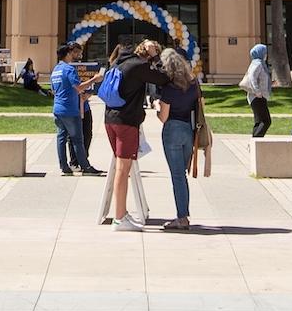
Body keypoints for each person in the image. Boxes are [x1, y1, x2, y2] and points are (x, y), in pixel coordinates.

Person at [104, 38, 159, 232]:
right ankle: (120, 218)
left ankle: (122, 213)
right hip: (126, 122)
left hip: (110, 119)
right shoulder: (138, 66)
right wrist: (155, 56)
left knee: (121, 167)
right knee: (123, 169)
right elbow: (163, 77)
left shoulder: (119, 64)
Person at [154, 48, 204, 232]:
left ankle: (182, 217)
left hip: (172, 130)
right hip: (188, 131)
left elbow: (163, 117)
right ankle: (184, 214)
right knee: (181, 175)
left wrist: (156, 106)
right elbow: (200, 105)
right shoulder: (194, 84)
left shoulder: (169, 88)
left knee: (177, 176)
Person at [51, 43, 99, 175]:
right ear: (67, 54)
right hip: (70, 109)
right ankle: (85, 166)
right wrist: (94, 79)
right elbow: (78, 87)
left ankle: (64, 167)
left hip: (58, 108)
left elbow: (54, 90)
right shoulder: (68, 69)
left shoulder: (56, 70)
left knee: (61, 138)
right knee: (77, 139)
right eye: (71, 53)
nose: (74, 55)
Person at [241, 44, 273, 139]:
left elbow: (260, 78)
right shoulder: (258, 64)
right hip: (257, 97)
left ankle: (254, 142)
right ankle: (256, 141)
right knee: (266, 121)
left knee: (259, 121)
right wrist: (257, 91)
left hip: (258, 96)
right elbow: (252, 77)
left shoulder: (259, 63)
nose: (266, 54)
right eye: (265, 52)